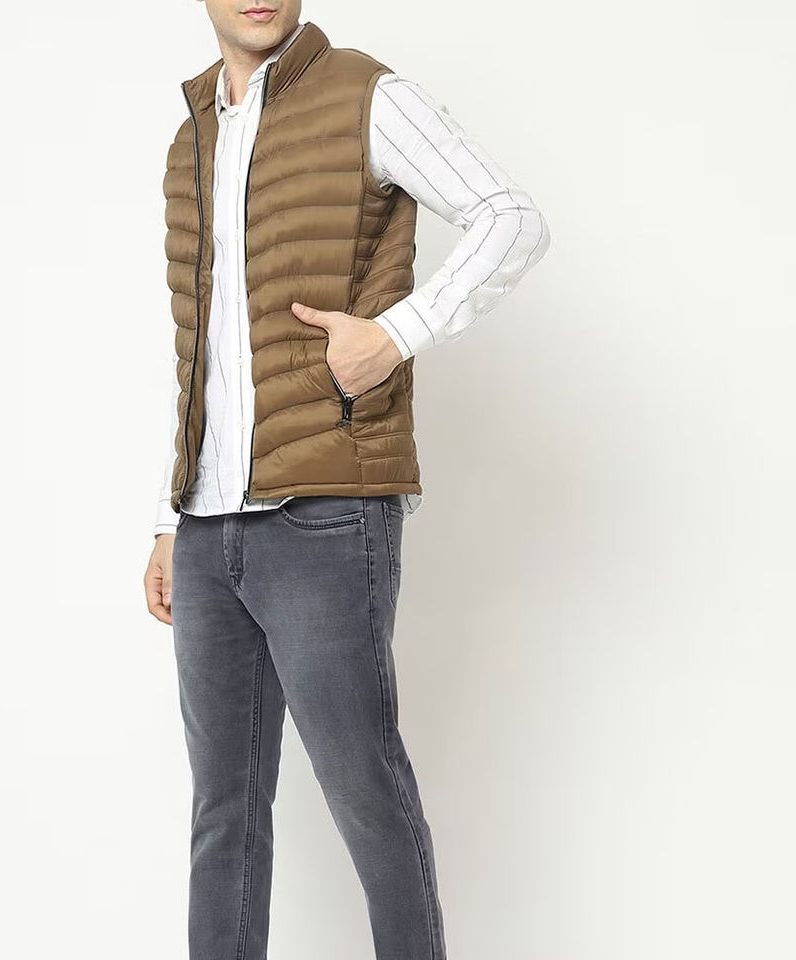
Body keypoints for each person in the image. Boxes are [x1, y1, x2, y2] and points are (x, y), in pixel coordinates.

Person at [143, 4, 550, 958]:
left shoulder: (365, 95)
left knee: (364, 789)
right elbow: (204, 350)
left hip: (325, 515)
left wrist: (397, 335)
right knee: (223, 814)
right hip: (207, 527)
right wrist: (169, 513)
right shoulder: (191, 135)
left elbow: (512, 218)